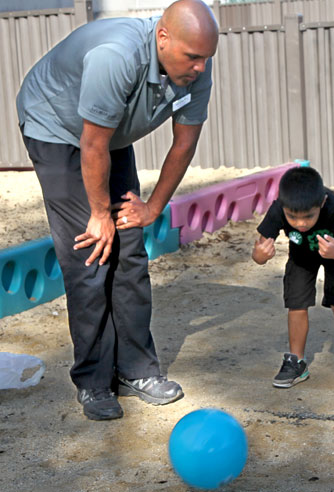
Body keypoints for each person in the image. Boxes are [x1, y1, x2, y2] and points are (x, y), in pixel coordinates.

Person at [15, 0, 219, 421]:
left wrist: (153, 207)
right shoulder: (117, 57)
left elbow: (184, 144)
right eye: (192, 57)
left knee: (130, 249)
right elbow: (91, 145)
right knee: (91, 252)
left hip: (107, 135)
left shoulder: (196, 64)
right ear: (163, 38)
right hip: (57, 127)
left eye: (206, 58)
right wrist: (98, 213)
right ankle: (93, 381)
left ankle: (136, 371)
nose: (199, 67)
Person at [251, 166, 334, 393]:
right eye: (292, 217)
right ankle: (296, 361)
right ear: (283, 205)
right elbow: (257, 254)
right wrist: (261, 256)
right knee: (296, 305)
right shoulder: (279, 208)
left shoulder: (332, 205)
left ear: (322, 203)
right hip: (301, 258)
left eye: (308, 216)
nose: (300, 223)